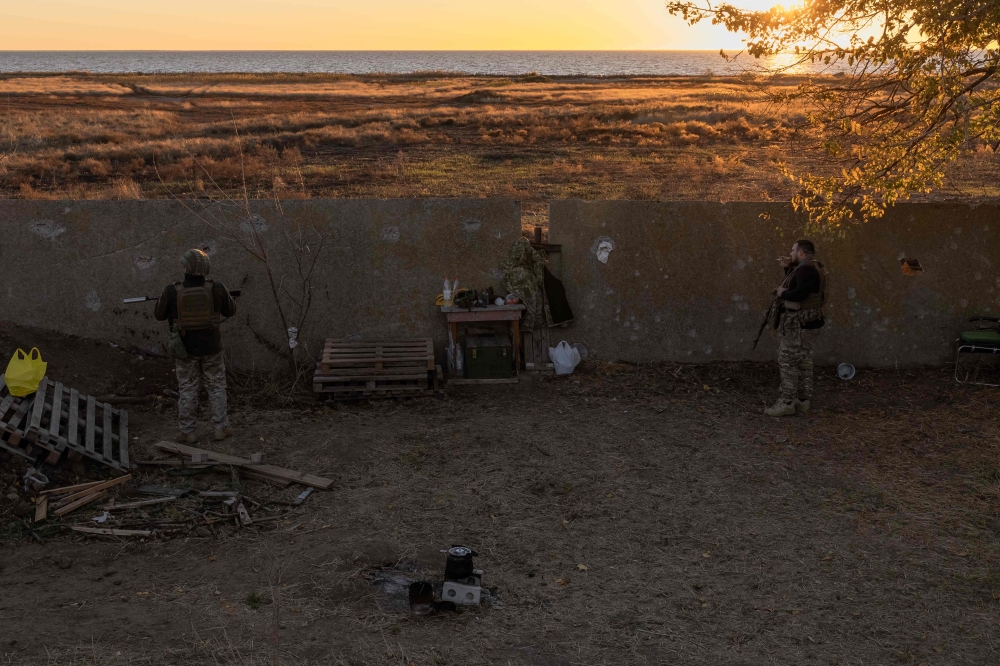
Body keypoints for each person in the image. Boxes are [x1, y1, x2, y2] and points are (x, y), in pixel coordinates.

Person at [155, 249, 237, 442]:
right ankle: (220, 428)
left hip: (185, 350)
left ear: (186, 268)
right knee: (216, 387)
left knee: (187, 388)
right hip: (212, 348)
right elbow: (231, 310)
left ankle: (188, 432)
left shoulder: (172, 290)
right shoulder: (217, 287)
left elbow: (159, 315)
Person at [765, 239, 827, 417]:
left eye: (793, 251)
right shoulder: (813, 267)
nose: (790, 253)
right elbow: (800, 285)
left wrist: (781, 292)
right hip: (810, 322)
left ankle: (786, 402)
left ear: (801, 253)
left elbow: (800, 293)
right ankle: (803, 401)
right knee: (804, 361)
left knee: (788, 361)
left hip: (799, 324)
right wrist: (788, 268)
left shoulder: (806, 269)